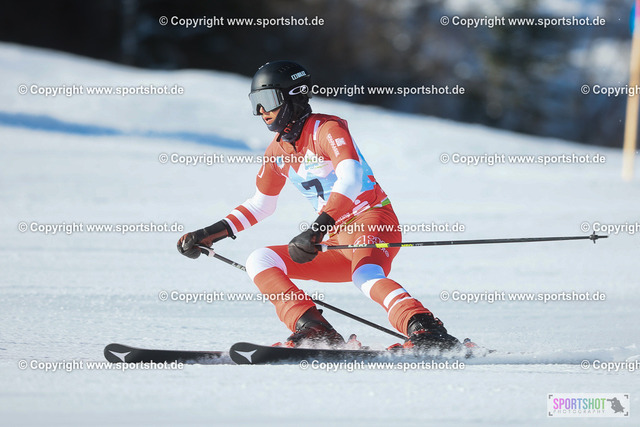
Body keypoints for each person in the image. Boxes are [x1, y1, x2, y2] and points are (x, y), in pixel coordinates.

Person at [177, 60, 460, 350]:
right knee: (260, 260)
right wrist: (211, 233)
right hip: (334, 238)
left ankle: (425, 329)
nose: (262, 111)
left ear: (294, 96)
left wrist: (317, 229)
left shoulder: (327, 129)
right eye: (256, 103)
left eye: (268, 100)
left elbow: (351, 178)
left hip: (372, 219)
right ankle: (314, 328)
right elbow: (261, 204)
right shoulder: (277, 151)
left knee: (365, 274)